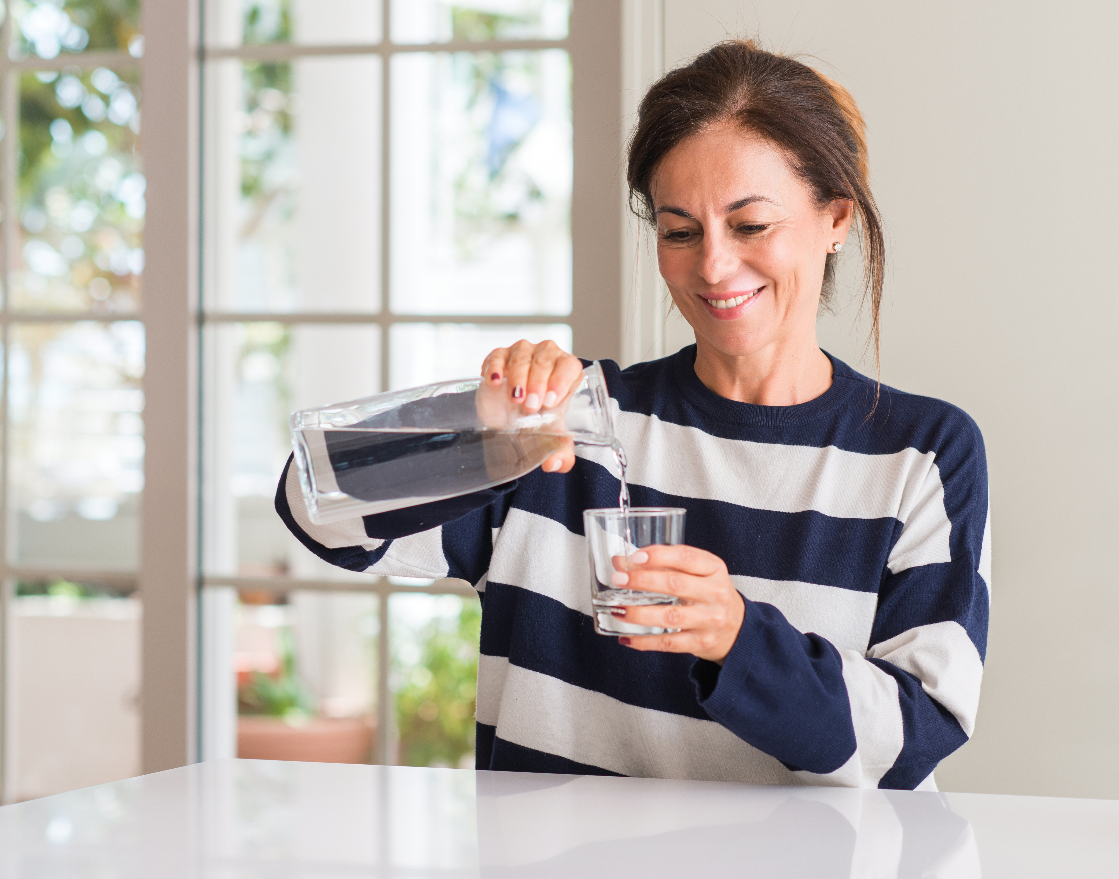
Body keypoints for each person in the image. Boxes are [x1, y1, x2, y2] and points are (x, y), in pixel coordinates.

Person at [277, 40, 989, 789]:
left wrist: (737, 639)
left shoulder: (921, 454)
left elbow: (917, 734)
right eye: (680, 231)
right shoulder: (565, 425)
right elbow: (315, 503)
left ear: (835, 216)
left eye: (750, 226)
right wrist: (481, 424)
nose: (713, 266)